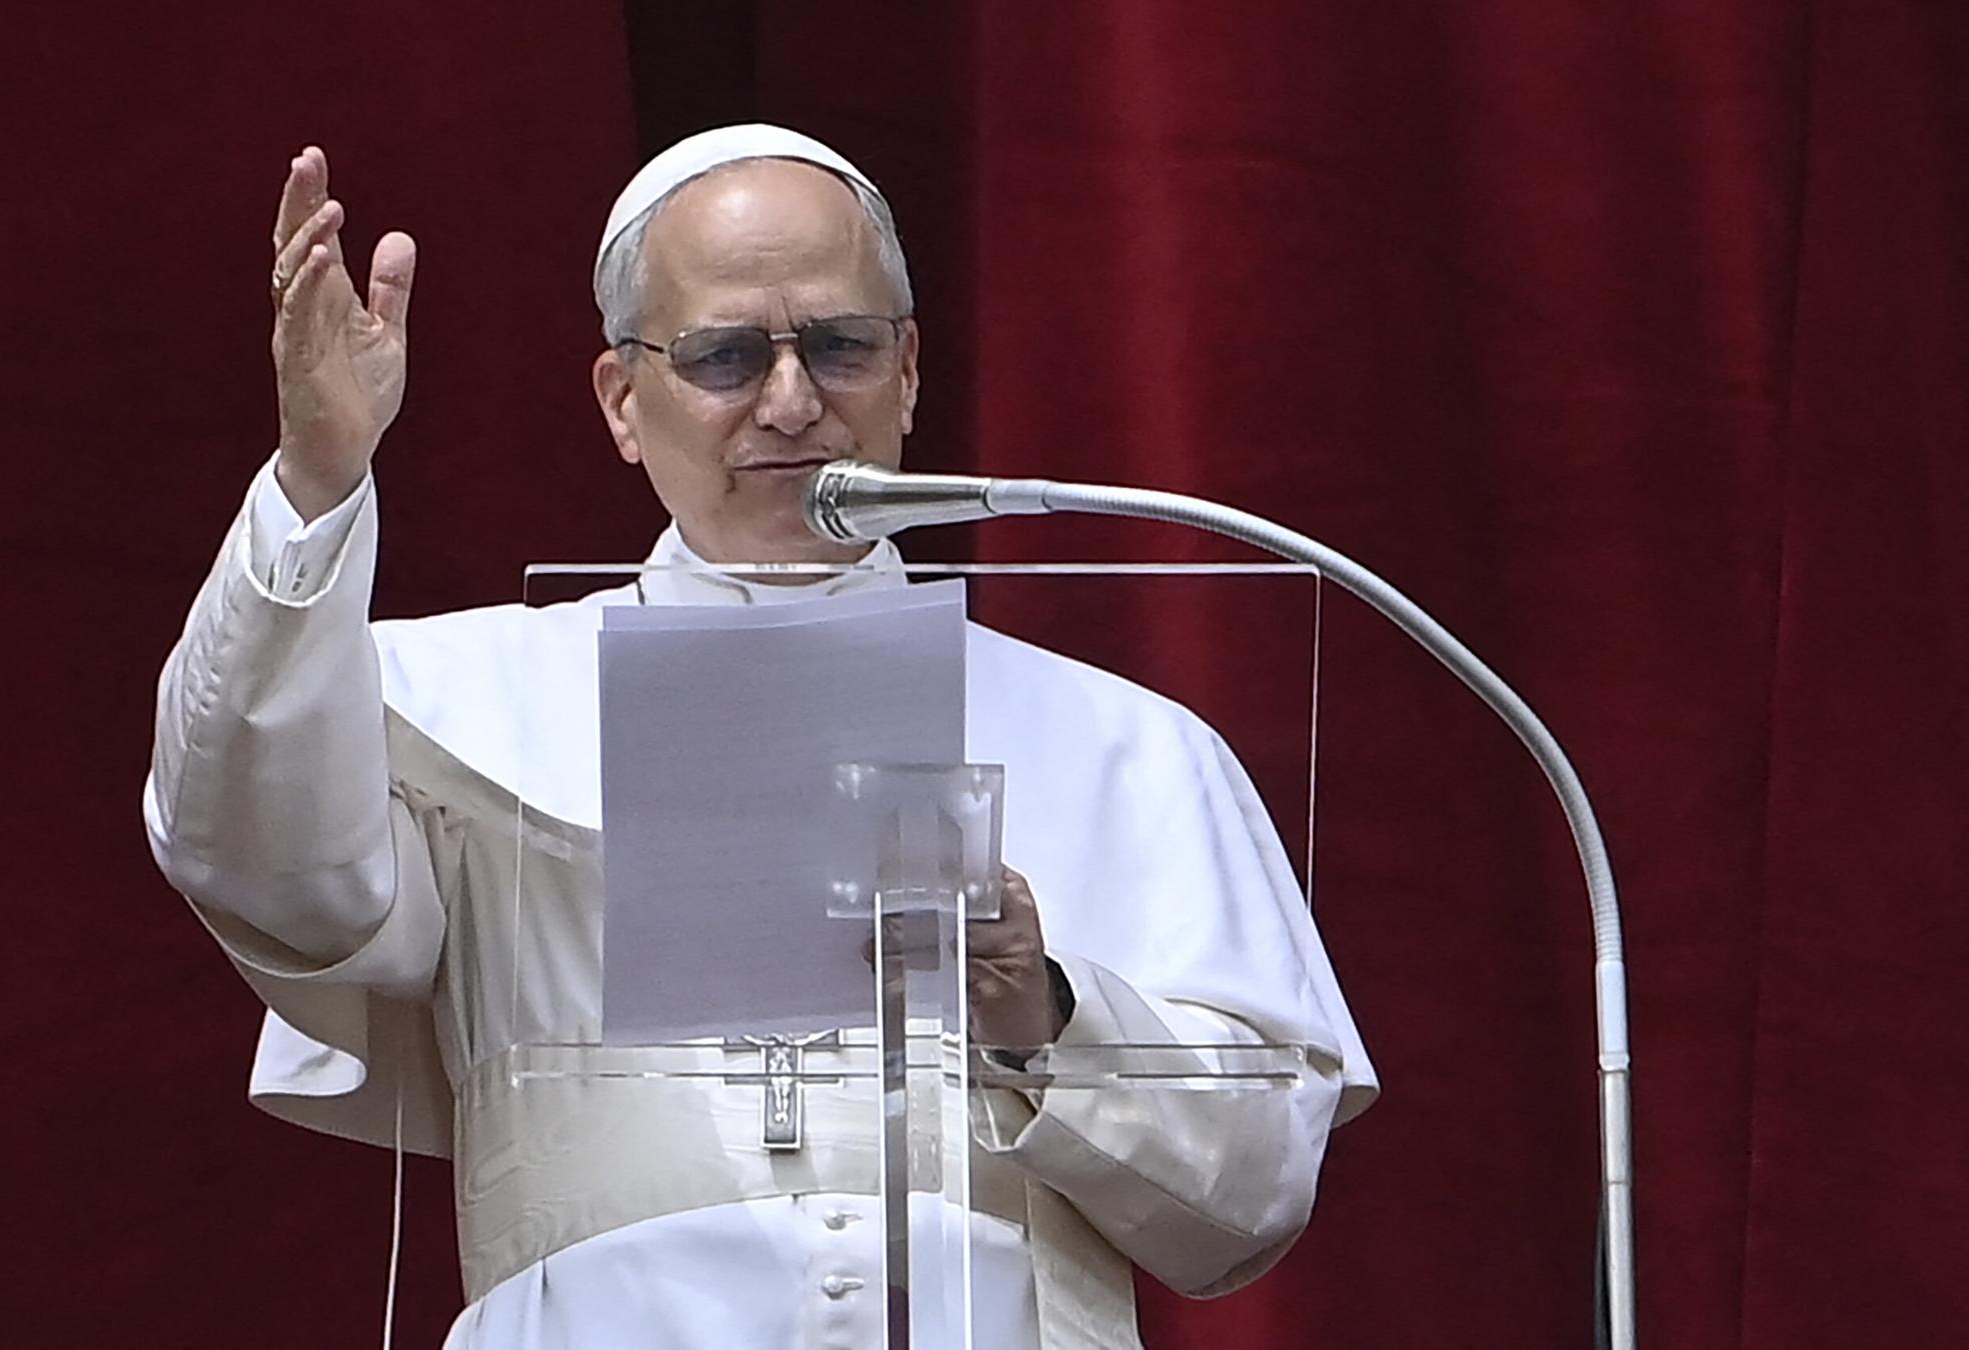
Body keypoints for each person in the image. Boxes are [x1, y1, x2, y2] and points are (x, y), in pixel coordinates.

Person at [146, 124, 1375, 1350]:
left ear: (906, 372)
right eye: (727, 356)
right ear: (623, 401)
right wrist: (316, 480)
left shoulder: (1119, 743)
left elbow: (1253, 1197)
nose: (792, 404)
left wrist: (1046, 1012)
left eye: (838, 347)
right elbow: (254, 858)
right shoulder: (448, 695)